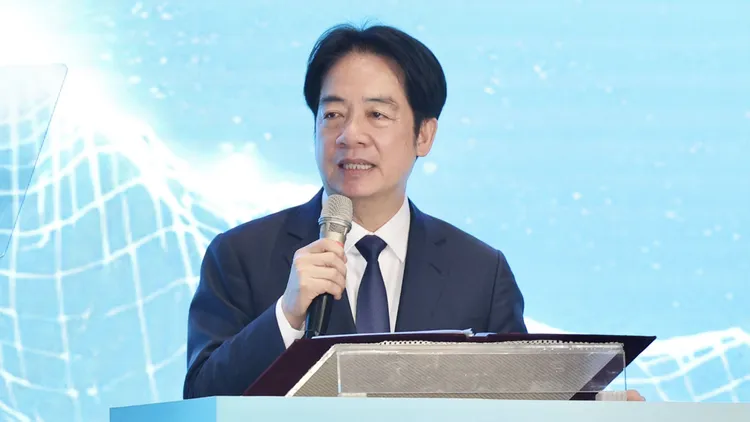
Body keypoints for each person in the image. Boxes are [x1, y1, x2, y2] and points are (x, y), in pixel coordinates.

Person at [182, 22, 644, 402]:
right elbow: (199, 399)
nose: (350, 135)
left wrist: (592, 408)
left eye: (377, 115)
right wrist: (286, 316)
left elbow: (520, 400)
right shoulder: (241, 255)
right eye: (333, 114)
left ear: (424, 135)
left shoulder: (480, 273)